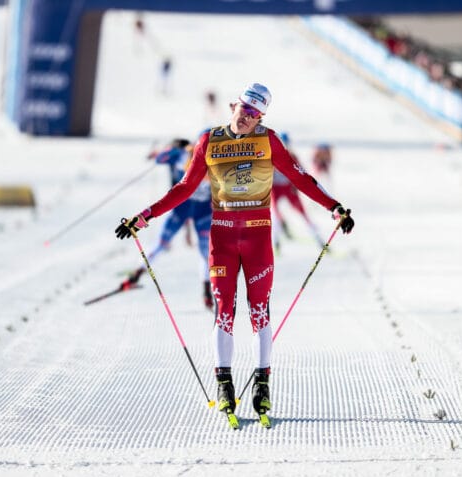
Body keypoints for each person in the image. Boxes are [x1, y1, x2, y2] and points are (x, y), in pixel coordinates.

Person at [115, 83, 354, 418]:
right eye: (244, 110)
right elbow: (184, 188)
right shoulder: (209, 141)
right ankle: (224, 383)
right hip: (223, 239)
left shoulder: (269, 141)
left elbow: (300, 178)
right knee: (224, 310)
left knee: (259, 313)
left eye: (255, 114)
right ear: (234, 107)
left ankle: (262, 384)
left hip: (258, 240)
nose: (247, 118)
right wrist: (144, 217)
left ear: (261, 118)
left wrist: (334, 207)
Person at [126, 138, 214, 309]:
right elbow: (161, 158)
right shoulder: (181, 156)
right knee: (164, 243)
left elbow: (162, 158)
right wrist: (164, 152)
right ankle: (135, 276)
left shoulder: (192, 157)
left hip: (198, 211)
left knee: (203, 251)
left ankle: (206, 293)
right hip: (185, 210)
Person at [270, 132, 325, 252]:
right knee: (274, 215)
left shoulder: (293, 157)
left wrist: (298, 185)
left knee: (303, 213)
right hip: (276, 189)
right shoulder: (271, 156)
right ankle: (276, 244)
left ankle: (320, 240)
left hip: (289, 188)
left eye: (286, 145)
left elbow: (302, 173)